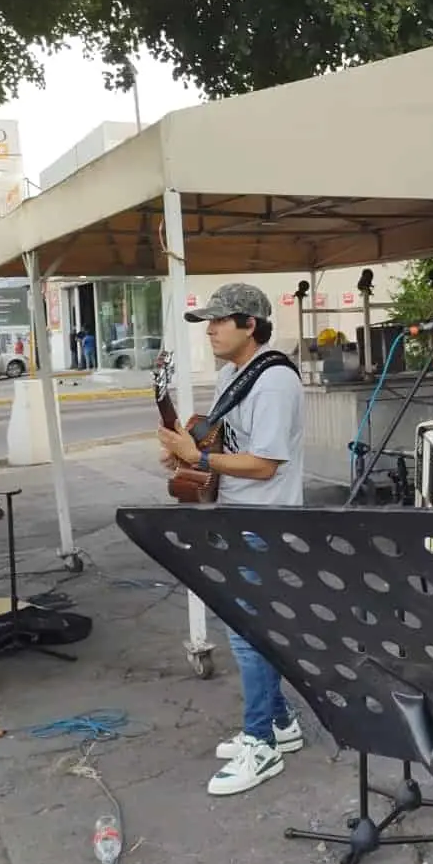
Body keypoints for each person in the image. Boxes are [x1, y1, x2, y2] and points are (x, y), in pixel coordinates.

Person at [159, 282, 308, 797]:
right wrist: (188, 449)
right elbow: (224, 441)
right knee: (250, 628)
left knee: (248, 635)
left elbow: (265, 465)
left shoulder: (274, 382)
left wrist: (198, 459)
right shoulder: (233, 374)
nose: (212, 330)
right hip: (239, 514)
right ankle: (281, 722)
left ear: (252, 325)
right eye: (209, 321)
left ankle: (260, 741)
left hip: (264, 521)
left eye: (223, 320)